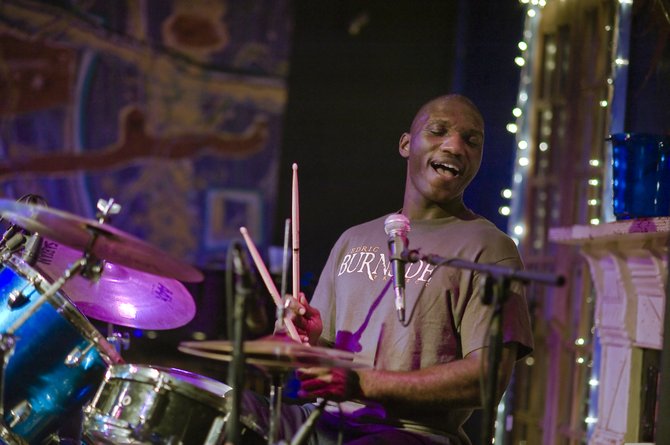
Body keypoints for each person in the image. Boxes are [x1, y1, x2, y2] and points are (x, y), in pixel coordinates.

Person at [245, 94, 533, 445]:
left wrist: (361, 384)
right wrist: (303, 339)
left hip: (411, 434)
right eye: (439, 130)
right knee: (231, 410)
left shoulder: (490, 248)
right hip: (323, 420)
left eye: (471, 140)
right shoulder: (354, 238)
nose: (456, 146)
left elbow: (487, 379)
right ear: (406, 145)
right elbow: (314, 362)